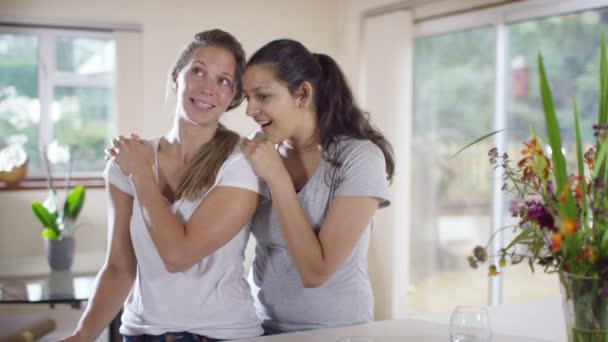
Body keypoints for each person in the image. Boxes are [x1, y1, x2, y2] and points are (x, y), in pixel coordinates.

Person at [64, 29, 263, 342]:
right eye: (198, 71)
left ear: (234, 96)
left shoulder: (242, 164)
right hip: (140, 333)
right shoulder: (129, 161)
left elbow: (178, 255)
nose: (208, 88)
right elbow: (119, 266)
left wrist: (141, 174)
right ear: (176, 78)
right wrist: (82, 335)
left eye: (223, 80)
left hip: (221, 334)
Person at [240, 39, 395, 333]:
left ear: (303, 93)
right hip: (260, 327)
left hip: (336, 331)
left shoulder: (359, 158)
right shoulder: (260, 151)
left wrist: (278, 179)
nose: (250, 109)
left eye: (262, 96)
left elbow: (316, 271)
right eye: (247, 97)